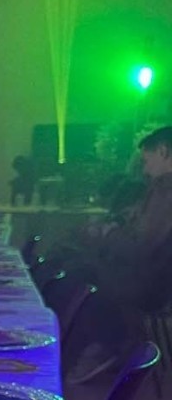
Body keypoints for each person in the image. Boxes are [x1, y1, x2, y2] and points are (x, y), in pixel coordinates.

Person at [66, 126, 172, 383]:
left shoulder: (167, 191)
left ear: (163, 151)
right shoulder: (159, 189)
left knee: (77, 274)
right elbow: (138, 229)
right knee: (75, 263)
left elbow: (142, 248)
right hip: (147, 276)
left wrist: (105, 236)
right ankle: (88, 350)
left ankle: (102, 348)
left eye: (147, 161)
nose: (144, 169)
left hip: (148, 284)